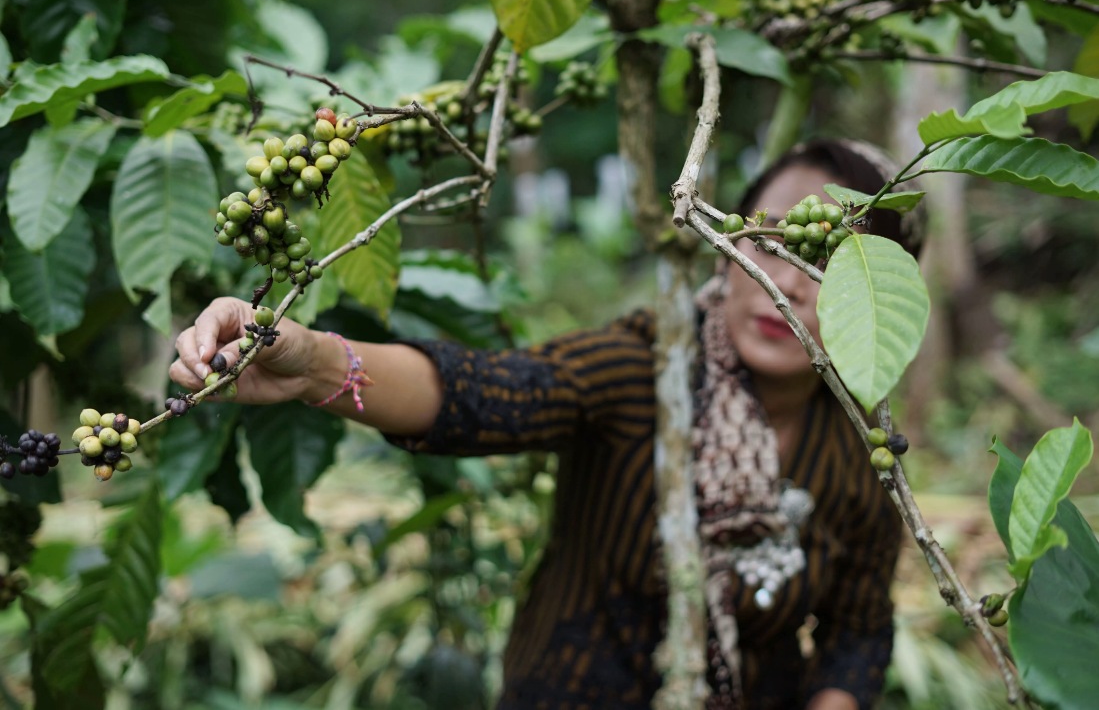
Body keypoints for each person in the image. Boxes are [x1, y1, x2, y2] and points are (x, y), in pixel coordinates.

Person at [171, 138, 924, 710]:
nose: (783, 281)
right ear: (727, 248)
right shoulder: (644, 364)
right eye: (767, 239)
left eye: (822, 258)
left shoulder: (862, 451)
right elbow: (489, 393)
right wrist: (318, 365)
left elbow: (857, 626)